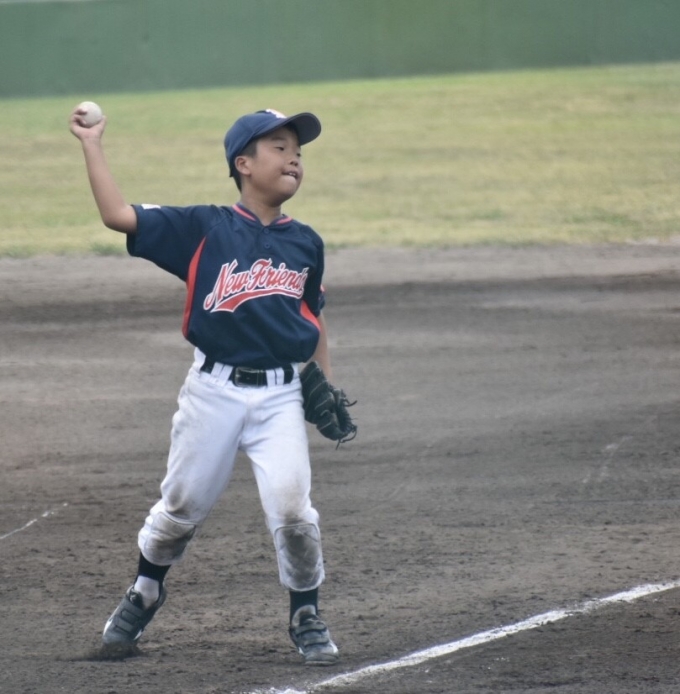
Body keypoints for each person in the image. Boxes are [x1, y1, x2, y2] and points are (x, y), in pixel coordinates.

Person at [69, 106, 342, 666]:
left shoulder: (306, 243)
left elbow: (312, 317)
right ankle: (145, 591)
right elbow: (118, 216)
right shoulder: (203, 228)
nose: (294, 159)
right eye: (280, 147)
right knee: (179, 511)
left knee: (294, 512)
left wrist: (325, 384)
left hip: (279, 396)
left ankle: (306, 614)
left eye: (298, 152)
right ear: (244, 164)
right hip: (212, 393)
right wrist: (91, 143)